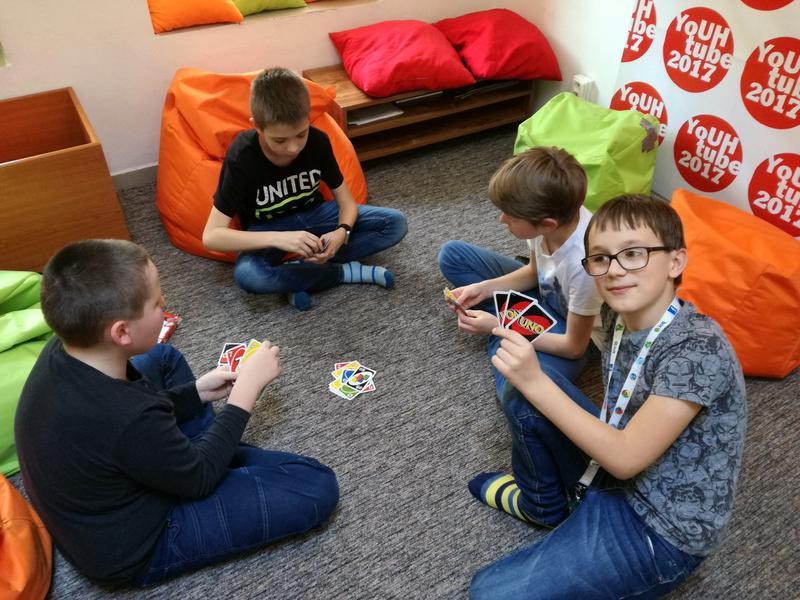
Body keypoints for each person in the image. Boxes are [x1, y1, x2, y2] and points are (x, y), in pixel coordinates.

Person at [14, 239, 339, 586]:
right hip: (131, 548)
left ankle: (194, 451)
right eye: (156, 302)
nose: (165, 302)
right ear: (122, 331)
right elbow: (195, 477)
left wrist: (196, 393)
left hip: (96, 482)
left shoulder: (65, 345)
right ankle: (201, 453)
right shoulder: (128, 415)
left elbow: (128, 418)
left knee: (163, 359)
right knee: (315, 485)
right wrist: (243, 396)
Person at [469, 195, 747, 599]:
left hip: (660, 526)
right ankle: (544, 507)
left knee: (488, 593)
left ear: (676, 262)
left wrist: (536, 381)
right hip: (614, 467)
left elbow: (626, 458)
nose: (614, 270)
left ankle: (576, 517)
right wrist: (525, 371)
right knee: (521, 395)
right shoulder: (617, 314)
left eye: (633, 254)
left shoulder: (698, 350)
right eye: (600, 258)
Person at [203, 66, 407, 311]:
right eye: (280, 140)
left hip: (317, 216)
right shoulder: (242, 155)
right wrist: (281, 238)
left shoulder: (318, 141)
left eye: (301, 134)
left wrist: (341, 232)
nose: (293, 148)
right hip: (268, 229)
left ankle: (296, 273)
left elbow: (347, 203)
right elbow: (212, 236)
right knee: (248, 275)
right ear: (257, 126)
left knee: (395, 223)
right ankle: (340, 273)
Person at [438, 147, 603, 398]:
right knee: (453, 255)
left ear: (547, 224)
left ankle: (508, 328)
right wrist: (482, 289)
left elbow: (573, 347)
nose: (502, 220)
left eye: (511, 217)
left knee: (517, 393)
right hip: (547, 293)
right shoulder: (549, 220)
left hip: (577, 334)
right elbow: (534, 272)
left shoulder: (585, 266)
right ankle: (515, 326)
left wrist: (497, 326)